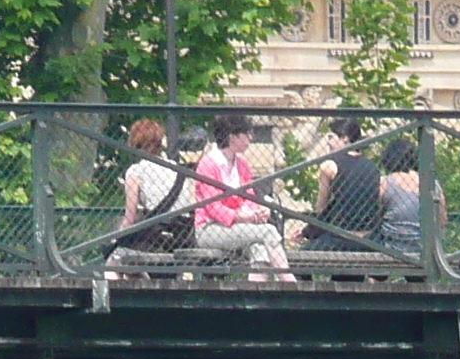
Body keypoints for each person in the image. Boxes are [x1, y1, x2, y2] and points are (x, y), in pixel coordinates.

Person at [188, 114, 290, 273]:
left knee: (259, 248)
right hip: (210, 228)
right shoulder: (208, 164)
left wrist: (257, 212)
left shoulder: (242, 165)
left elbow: (249, 197)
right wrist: (244, 217)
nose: (250, 137)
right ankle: (290, 284)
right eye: (246, 133)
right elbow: (214, 208)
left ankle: (256, 294)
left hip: (241, 226)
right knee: (268, 231)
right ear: (232, 137)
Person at [291, 112, 385, 252]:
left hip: (340, 238)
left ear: (344, 138)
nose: (328, 142)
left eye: (331, 137)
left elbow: (321, 209)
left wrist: (308, 232)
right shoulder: (372, 167)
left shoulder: (329, 165)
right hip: (368, 239)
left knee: (301, 258)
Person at [114, 118, 190, 254]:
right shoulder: (176, 168)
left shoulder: (136, 171)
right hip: (181, 237)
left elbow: (130, 216)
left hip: (155, 237)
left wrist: (115, 240)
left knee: (114, 259)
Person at [378, 133, 426, 259]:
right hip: (423, 246)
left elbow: (374, 215)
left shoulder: (385, 182)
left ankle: (376, 278)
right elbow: (442, 219)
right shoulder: (430, 182)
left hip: (391, 246)